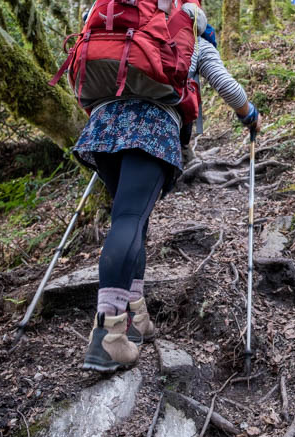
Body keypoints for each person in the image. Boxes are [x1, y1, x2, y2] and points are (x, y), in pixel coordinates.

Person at [75, 21, 261, 373]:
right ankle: (108, 337)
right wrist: (250, 115)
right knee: (130, 219)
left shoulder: (121, 24)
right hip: (152, 124)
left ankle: (135, 316)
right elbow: (228, 88)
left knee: (130, 221)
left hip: (103, 125)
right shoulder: (189, 37)